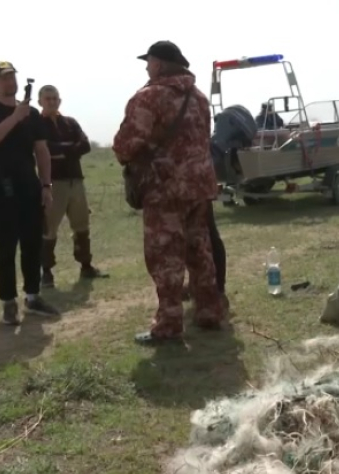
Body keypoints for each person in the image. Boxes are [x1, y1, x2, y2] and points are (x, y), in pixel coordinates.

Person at [113, 41, 226, 344]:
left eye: (148, 62)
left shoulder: (148, 97)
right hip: (199, 186)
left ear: (159, 64)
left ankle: (169, 324)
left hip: (165, 189)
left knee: (165, 257)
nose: (147, 68)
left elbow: (124, 145)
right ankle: (209, 311)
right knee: (199, 251)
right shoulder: (199, 98)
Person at [0, 61, 60, 325]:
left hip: (29, 189)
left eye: (12, 77)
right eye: (3, 78)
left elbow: (41, 151)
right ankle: (8, 304)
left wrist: (46, 186)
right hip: (0, 191)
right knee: (5, 249)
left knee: (32, 246)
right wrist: (14, 118)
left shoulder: (32, 114)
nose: (10, 82)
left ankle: (33, 298)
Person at [36, 84, 107, 287]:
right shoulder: (37, 125)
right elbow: (45, 149)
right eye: (47, 98)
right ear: (40, 101)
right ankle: (47, 272)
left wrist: (62, 151)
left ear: (60, 101)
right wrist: (67, 148)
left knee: (82, 225)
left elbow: (84, 145)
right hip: (52, 183)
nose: (51, 102)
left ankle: (86, 266)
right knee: (49, 228)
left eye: (54, 98)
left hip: (76, 181)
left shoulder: (69, 123)